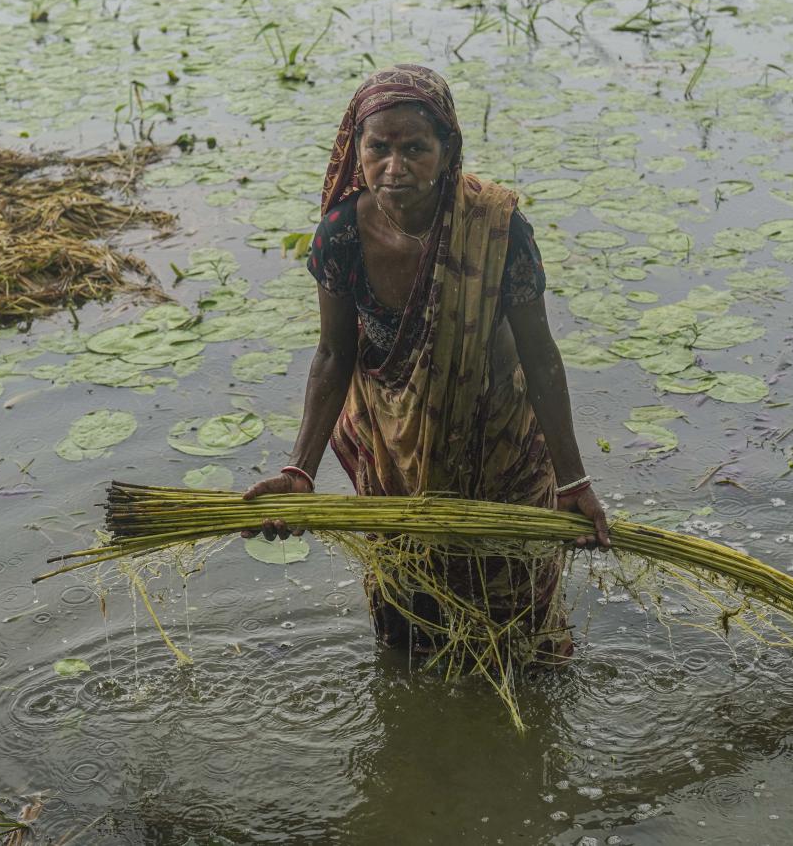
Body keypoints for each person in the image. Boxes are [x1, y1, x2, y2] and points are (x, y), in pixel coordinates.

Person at [243, 64, 609, 661]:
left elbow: (541, 358)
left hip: (498, 447)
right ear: (356, 151)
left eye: (415, 148)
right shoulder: (340, 236)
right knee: (408, 630)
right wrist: (300, 473)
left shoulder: (497, 230)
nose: (395, 167)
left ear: (447, 150)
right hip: (395, 460)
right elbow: (335, 355)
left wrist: (574, 481)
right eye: (378, 148)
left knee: (525, 638)